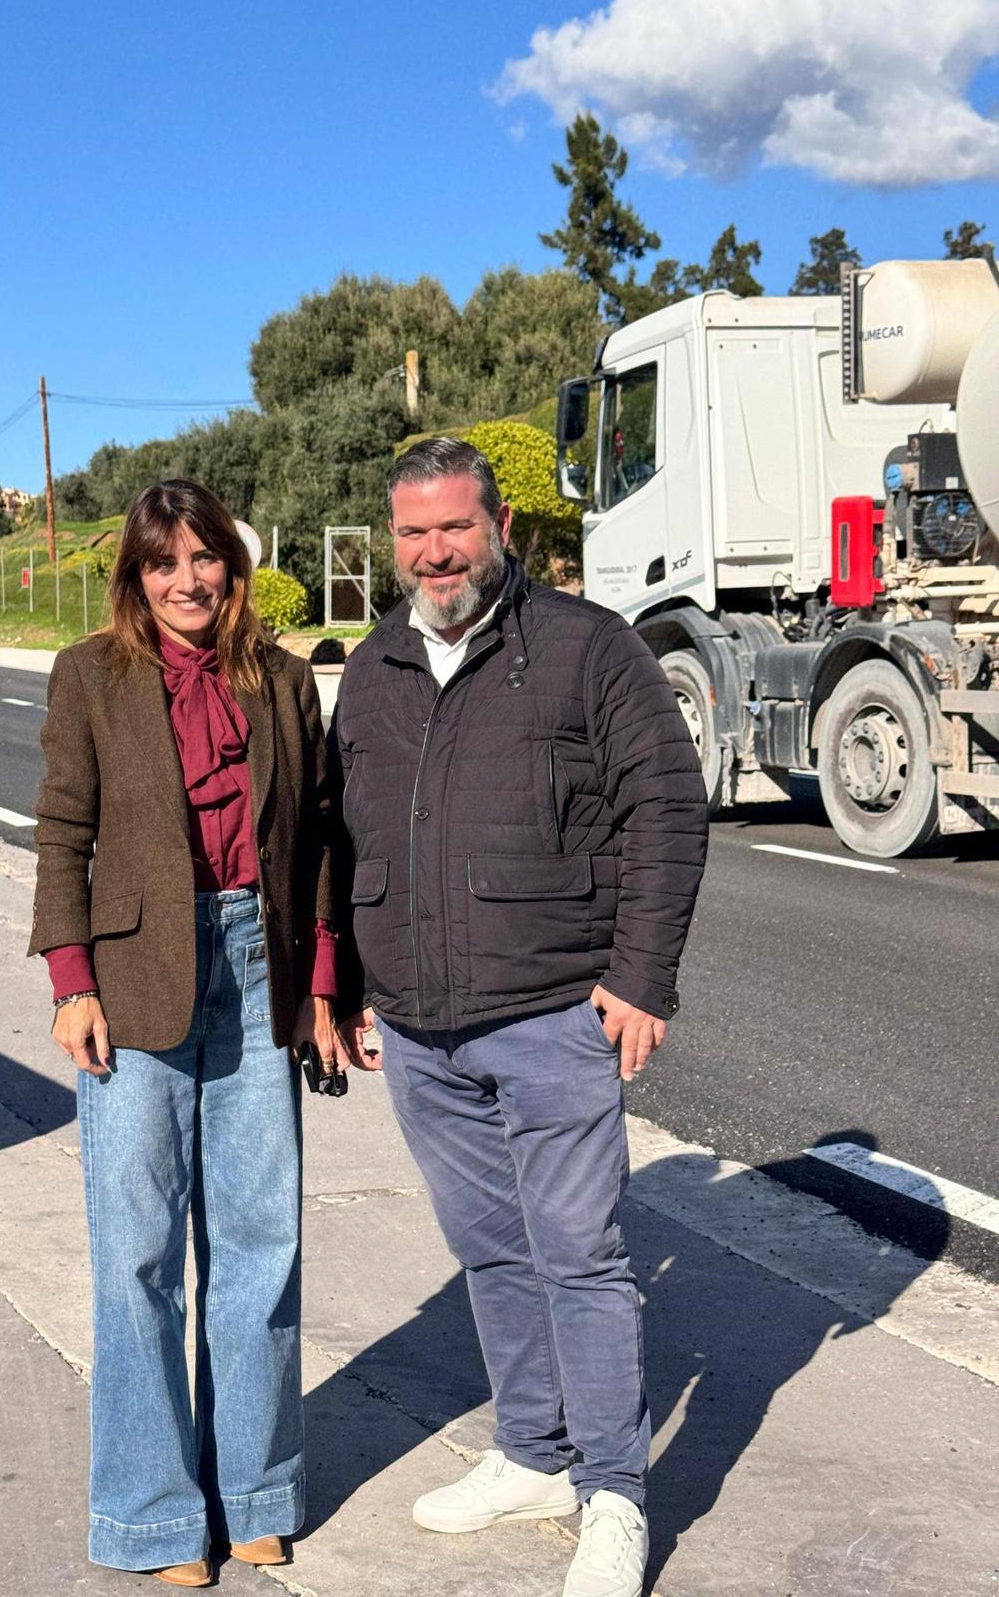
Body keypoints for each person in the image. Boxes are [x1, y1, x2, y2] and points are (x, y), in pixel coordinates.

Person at [333, 438, 708, 1597]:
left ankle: (613, 1493)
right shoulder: (375, 660)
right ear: (389, 541)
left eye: (453, 527)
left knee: (581, 1256)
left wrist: (642, 975)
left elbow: (666, 805)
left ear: (498, 524)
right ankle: (531, 1453)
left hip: (551, 1011)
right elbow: (342, 832)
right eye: (412, 532)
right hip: (418, 1024)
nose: (434, 551)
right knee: (490, 1249)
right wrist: (342, 981)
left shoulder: (586, 648)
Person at [28, 479, 345, 1588]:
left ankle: (255, 1491)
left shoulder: (286, 682)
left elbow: (317, 838)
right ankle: (154, 1514)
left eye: (203, 559)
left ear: (233, 567)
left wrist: (321, 985)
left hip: (260, 964)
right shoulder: (89, 678)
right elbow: (64, 828)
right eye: (163, 564)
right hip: (133, 975)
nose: (186, 582)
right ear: (135, 575)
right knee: (140, 1256)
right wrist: (72, 979)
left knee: (261, 1244)